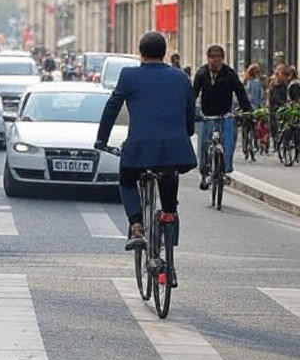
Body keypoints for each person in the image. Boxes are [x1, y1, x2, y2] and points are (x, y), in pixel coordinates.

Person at [95, 31, 197, 253]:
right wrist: (186, 133)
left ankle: (136, 226)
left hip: (140, 147)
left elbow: (112, 107)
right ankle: (169, 216)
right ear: (165, 53)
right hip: (175, 148)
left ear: (141, 54)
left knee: (128, 180)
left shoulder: (129, 76)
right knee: (169, 174)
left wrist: (101, 139)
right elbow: (189, 113)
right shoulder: (181, 77)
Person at [193, 45, 252, 186]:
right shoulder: (201, 74)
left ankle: (225, 170)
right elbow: (193, 93)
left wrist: (247, 110)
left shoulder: (229, 74)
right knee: (203, 145)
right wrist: (190, 110)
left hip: (224, 114)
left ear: (222, 59)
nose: (215, 62)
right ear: (208, 59)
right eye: (212, 58)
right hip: (206, 115)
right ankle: (204, 173)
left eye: (218, 58)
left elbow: (240, 92)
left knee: (228, 141)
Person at [267, 63, 289, 150]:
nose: (283, 76)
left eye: (284, 74)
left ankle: (283, 142)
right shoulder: (273, 82)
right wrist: (268, 103)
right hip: (274, 106)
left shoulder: (286, 84)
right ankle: (276, 143)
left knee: (283, 125)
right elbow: (270, 94)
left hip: (283, 106)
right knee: (274, 126)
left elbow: (287, 95)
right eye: (282, 73)